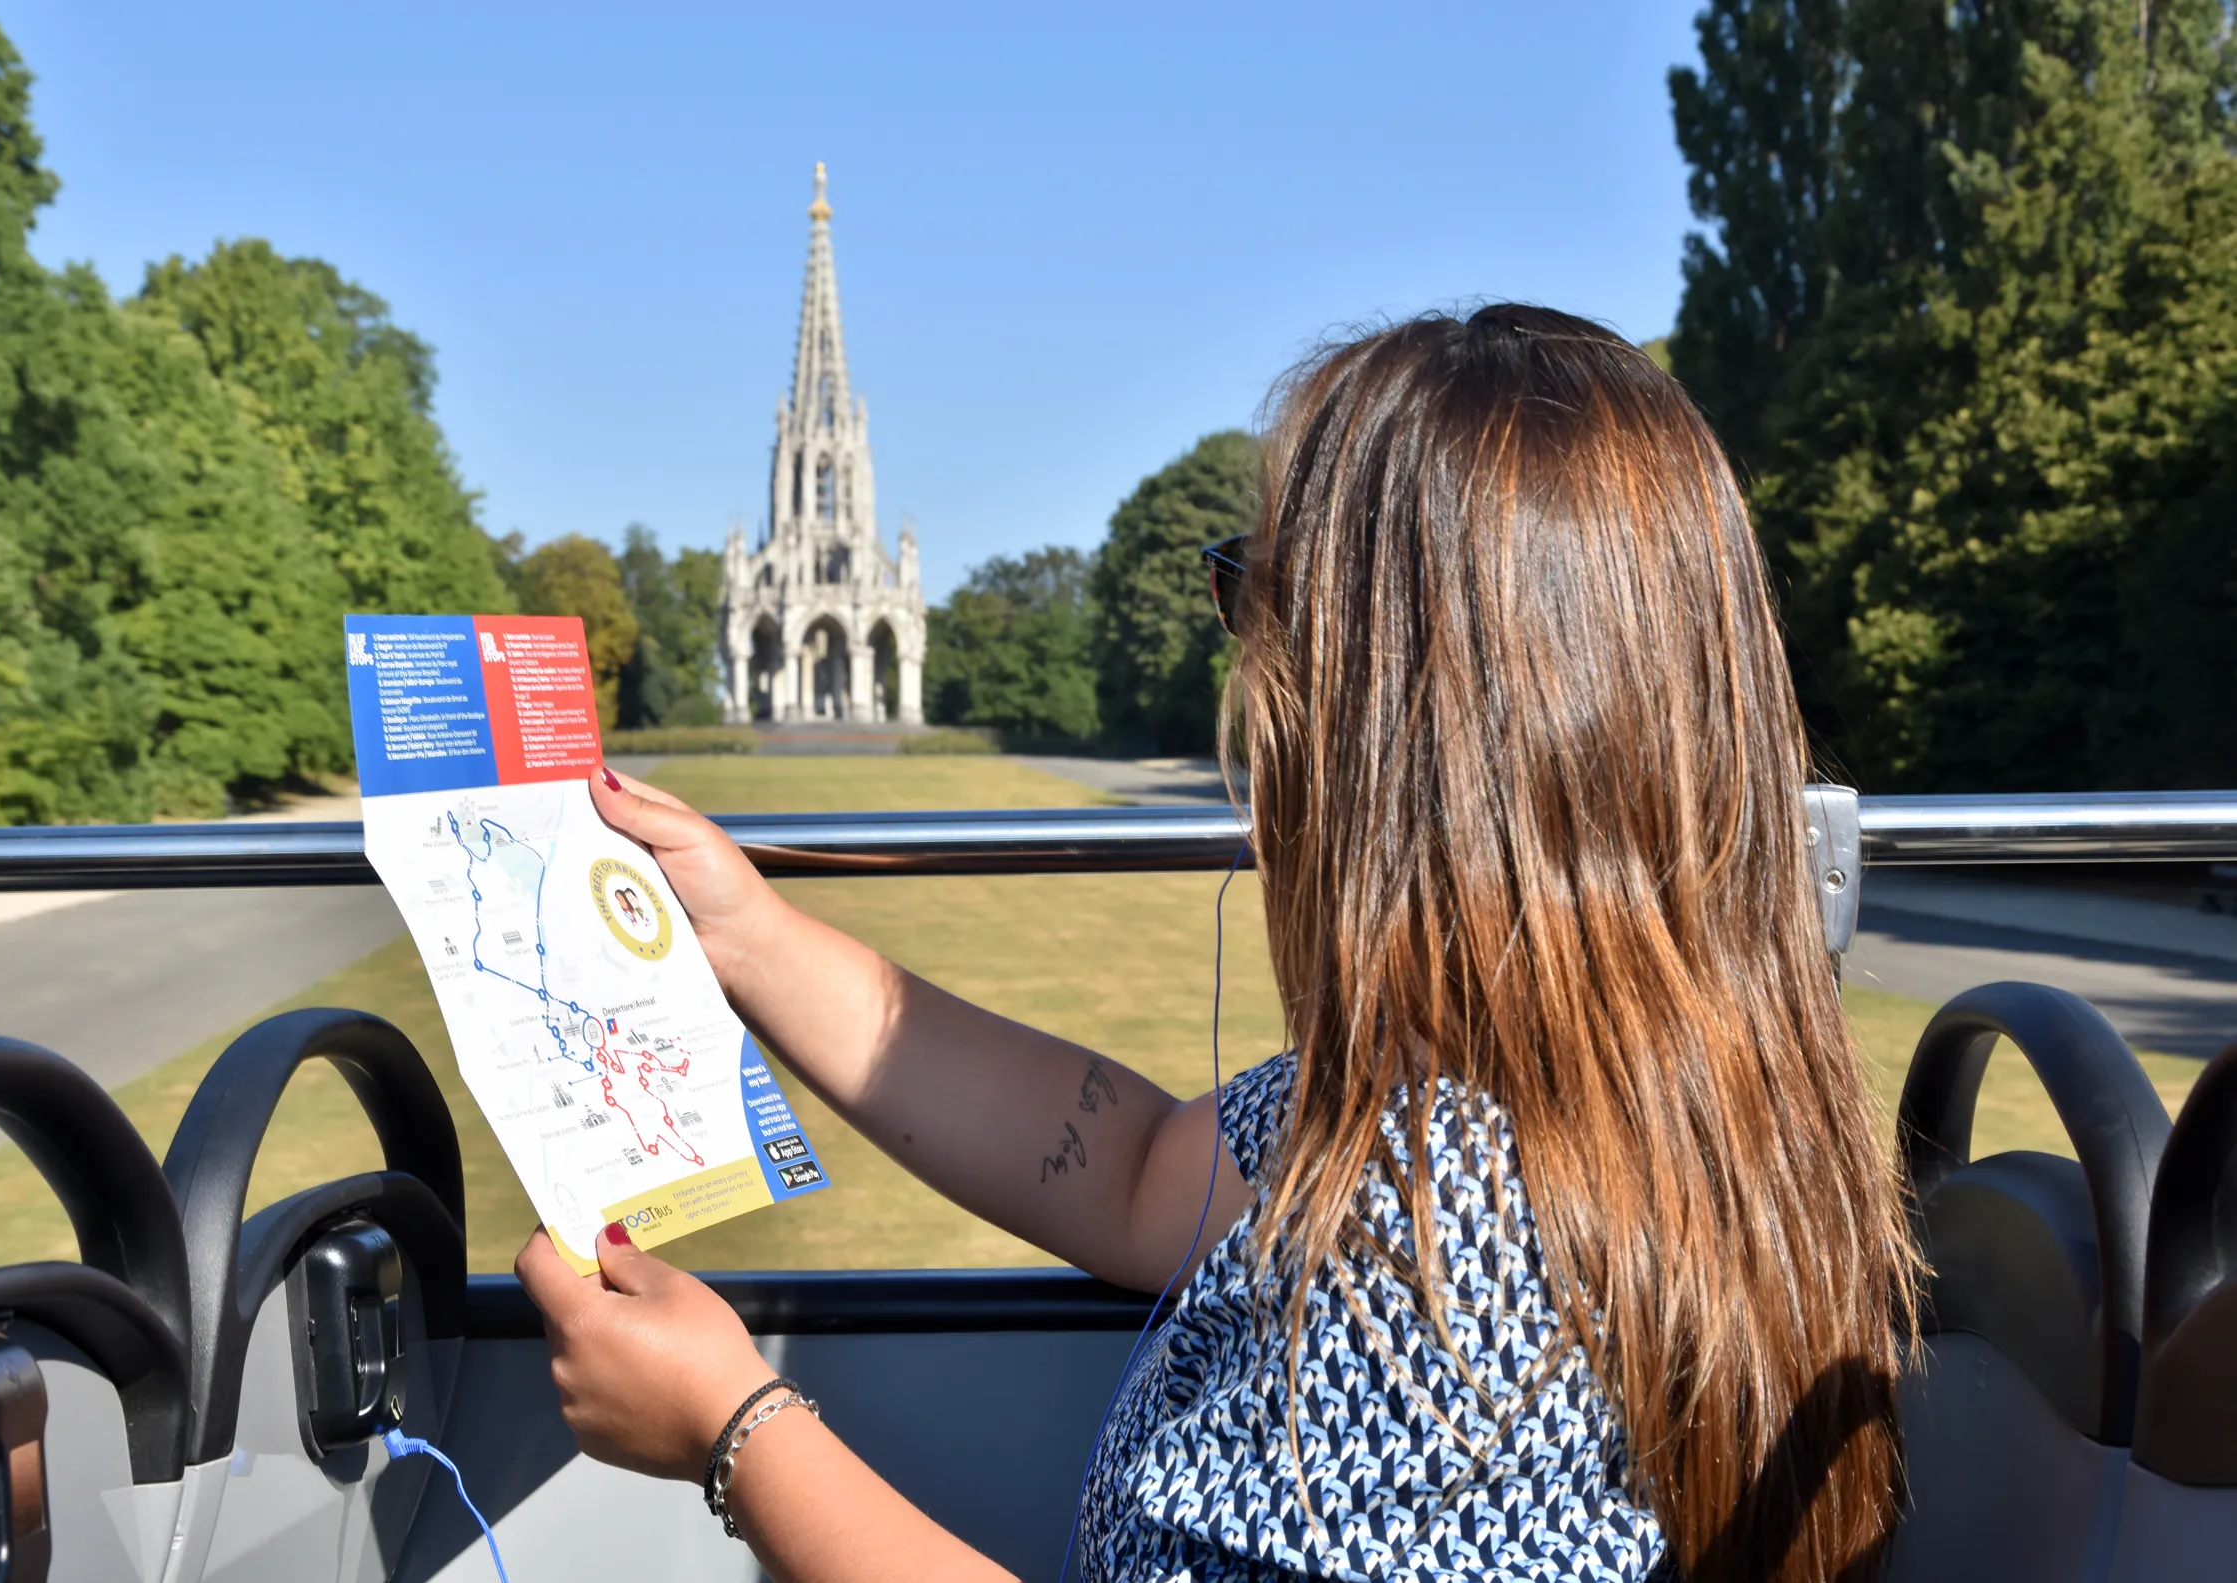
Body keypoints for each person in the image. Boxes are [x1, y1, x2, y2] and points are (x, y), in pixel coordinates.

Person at [514, 307, 1918, 1583]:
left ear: (1385, 729)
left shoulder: (1449, 1249)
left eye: (1256, 593)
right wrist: (747, 930)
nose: (1245, 671)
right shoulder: (1582, 1094)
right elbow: (1131, 1169)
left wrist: (733, 1428)